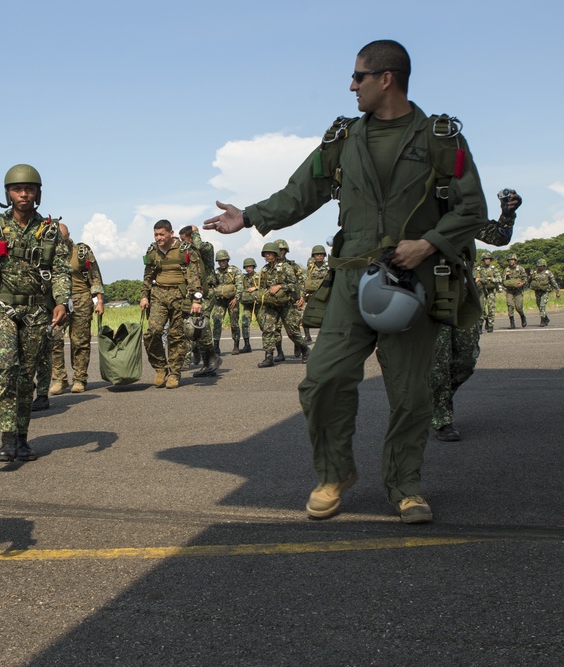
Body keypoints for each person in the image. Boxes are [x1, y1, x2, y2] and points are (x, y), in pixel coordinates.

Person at [204, 39, 487, 524]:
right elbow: (302, 192)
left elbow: (473, 209)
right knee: (323, 379)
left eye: (359, 76)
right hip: (351, 278)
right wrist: (249, 216)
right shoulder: (342, 139)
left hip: (412, 282)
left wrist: (430, 243)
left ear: (386, 79)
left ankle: (406, 486)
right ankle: (334, 474)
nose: (351, 85)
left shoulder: (441, 138)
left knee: (412, 393)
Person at [0, 165, 70, 462]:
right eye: (17, 189)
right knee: (6, 368)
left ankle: (21, 438)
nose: (24, 194)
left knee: (25, 377)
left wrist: (62, 301)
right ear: (7, 193)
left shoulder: (48, 230)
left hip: (35, 310)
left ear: (38, 192)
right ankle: (6, 438)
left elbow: (60, 271)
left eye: (29, 189)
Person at [432, 190, 520, 442]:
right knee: (438, 363)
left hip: (463, 292)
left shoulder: (464, 216)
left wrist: (508, 213)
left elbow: (500, 238)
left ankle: (437, 400)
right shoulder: (415, 215)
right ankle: (441, 417)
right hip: (430, 293)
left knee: (466, 360)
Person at [35, 223, 105, 399]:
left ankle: (80, 378)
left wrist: (99, 301)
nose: (61, 242)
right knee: (53, 338)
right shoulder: (46, 252)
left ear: (69, 236)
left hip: (81, 298)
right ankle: (59, 378)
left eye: (64, 239)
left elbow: (95, 276)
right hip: (57, 302)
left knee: (80, 341)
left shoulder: (82, 252)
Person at [141, 220, 205, 388]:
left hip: (180, 295)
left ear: (171, 233)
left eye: (162, 234)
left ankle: (174, 373)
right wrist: (144, 296)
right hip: (158, 294)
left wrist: (196, 300)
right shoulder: (152, 250)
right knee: (153, 332)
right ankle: (160, 368)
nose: (158, 238)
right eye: (156, 234)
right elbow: (147, 276)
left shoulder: (185, 249)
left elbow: (194, 276)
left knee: (176, 336)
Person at [256, 242, 309, 368]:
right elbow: (262, 287)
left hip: (286, 304)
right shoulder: (264, 270)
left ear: (275, 255)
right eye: (265, 254)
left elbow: (293, 285)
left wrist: (279, 286)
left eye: (270, 253)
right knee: (268, 329)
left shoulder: (286, 267)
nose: (267, 256)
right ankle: (269, 357)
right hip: (271, 305)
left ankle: (305, 350)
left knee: (292, 332)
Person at [178, 225, 219, 375]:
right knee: (196, 327)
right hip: (195, 293)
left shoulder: (206, 248)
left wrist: (195, 232)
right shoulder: (188, 252)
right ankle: (208, 364)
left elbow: (199, 246)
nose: (182, 243)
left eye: (184, 239)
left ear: (191, 237)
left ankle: (212, 358)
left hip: (207, 293)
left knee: (200, 325)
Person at [275, 239, 306, 359]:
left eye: (282, 250)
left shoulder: (293, 266)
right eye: (278, 249)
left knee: (294, 325)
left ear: (286, 251)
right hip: (276, 302)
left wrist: (302, 296)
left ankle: (298, 345)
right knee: (276, 327)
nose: (280, 252)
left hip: (292, 300)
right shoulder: (270, 267)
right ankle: (279, 353)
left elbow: (301, 281)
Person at [212, 250, 244, 355]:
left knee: (234, 323)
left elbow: (240, 285)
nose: (222, 263)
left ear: (227, 260)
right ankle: (216, 346)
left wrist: (236, 298)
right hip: (219, 301)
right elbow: (211, 285)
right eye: (220, 261)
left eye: (224, 260)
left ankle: (236, 346)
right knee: (217, 321)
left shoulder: (234, 271)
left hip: (232, 300)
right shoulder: (215, 272)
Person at [302, 245, 331, 343]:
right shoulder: (310, 268)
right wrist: (302, 296)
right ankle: (307, 336)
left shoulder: (328, 267)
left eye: (321, 254)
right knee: (304, 315)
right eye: (317, 254)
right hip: (311, 295)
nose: (319, 256)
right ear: (313, 256)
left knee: (326, 315)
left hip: (325, 295)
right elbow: (305, 282)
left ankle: (325, 335)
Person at [474, 251, 501, 333]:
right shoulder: (478, 269)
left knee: (491, 309)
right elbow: (475, 278)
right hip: (481, 291)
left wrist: (491, 279)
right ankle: (480, 325)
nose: (487, 260)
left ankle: (490, 325)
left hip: (491, 291)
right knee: (481, 308)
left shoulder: (494, 269)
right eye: (485, 259)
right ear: (483, 260)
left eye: (489, 259)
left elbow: (499, 279)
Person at [238, 257, 261, 353]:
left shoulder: (259, 276)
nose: (248, 268)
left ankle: (270, 344)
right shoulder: (243, 278)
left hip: (258, 304)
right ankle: (247, 345)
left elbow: (265, 286)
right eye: (246, 267)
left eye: (250, 266)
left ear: (254, 266)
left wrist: (255, 288)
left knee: (263, 324)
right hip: (247, 304)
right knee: (244, 323)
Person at [531, 258, 561, 327]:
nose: (540, 267)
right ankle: (546, 318)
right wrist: (531, 275)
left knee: (542, 305)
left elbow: (553, 282)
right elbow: (529, 281)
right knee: (539, 306)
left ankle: (542, 321)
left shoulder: (548, 273)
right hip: (537, 291)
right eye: (539, 266)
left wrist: (557, 291)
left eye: (542, 266)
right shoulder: (535, 273)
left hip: (545, 291)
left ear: (544, 266)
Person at [502, 253, 529, 328]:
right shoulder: (506, 269)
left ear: (515, 260)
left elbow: (525, 278)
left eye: (512, 260)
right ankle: (512, 323)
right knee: (510, 305)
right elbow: (502, 280)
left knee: (519, 306)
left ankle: (523, 317)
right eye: (510, 260)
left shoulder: (520, 268)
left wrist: (522, 283)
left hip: (518, 290)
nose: (511, 261)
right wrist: (506, 276)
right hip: (509, 291)